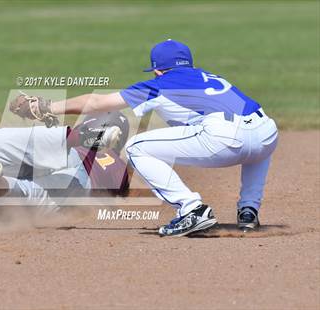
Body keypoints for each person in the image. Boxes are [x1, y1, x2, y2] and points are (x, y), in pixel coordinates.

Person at [46, 39, 278, 236]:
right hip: (268, 133)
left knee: (137, 146)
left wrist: (48, 106)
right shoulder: (210, 76)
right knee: (255, 136)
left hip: (224, 138)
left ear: (157, 70)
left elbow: (97, 103)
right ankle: (248, 210)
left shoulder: (160, 84)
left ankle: (191, 209)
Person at [0, 111, 130, 214]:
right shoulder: (117, 163)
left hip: (57, 152)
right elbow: (119, 195)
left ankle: (79, 137)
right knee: (27, 193)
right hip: (79, 179)